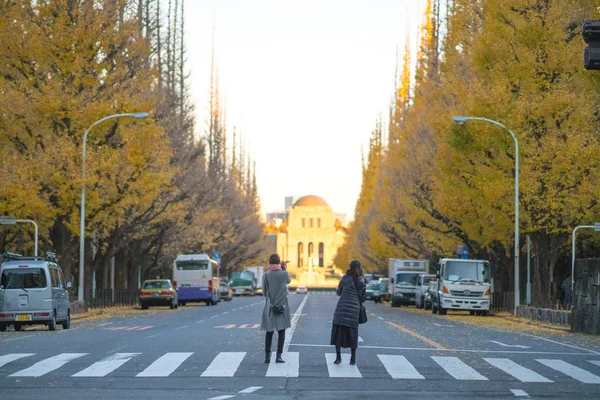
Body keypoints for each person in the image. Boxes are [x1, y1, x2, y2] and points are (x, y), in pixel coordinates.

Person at [331, 259, 366, 365]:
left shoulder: (345, 278)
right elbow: (362, 297)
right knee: (353, 333)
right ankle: (353, 359)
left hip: (342, 307)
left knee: (338, 332)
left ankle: (338, 358)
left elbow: (339, 292)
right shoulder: (361, 280)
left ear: (350, 267)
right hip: (354, 309)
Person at [260, 253, 291, 364]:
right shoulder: (283, 274)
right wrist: (283, 268)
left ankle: (267, 356)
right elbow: (289, 281)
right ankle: (279, 356)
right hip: (282, 306)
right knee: (281, 331)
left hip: (270, 306)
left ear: (269, 262)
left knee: (269, 331)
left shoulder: (266, 275)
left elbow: (264, 292)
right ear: (278, 262)